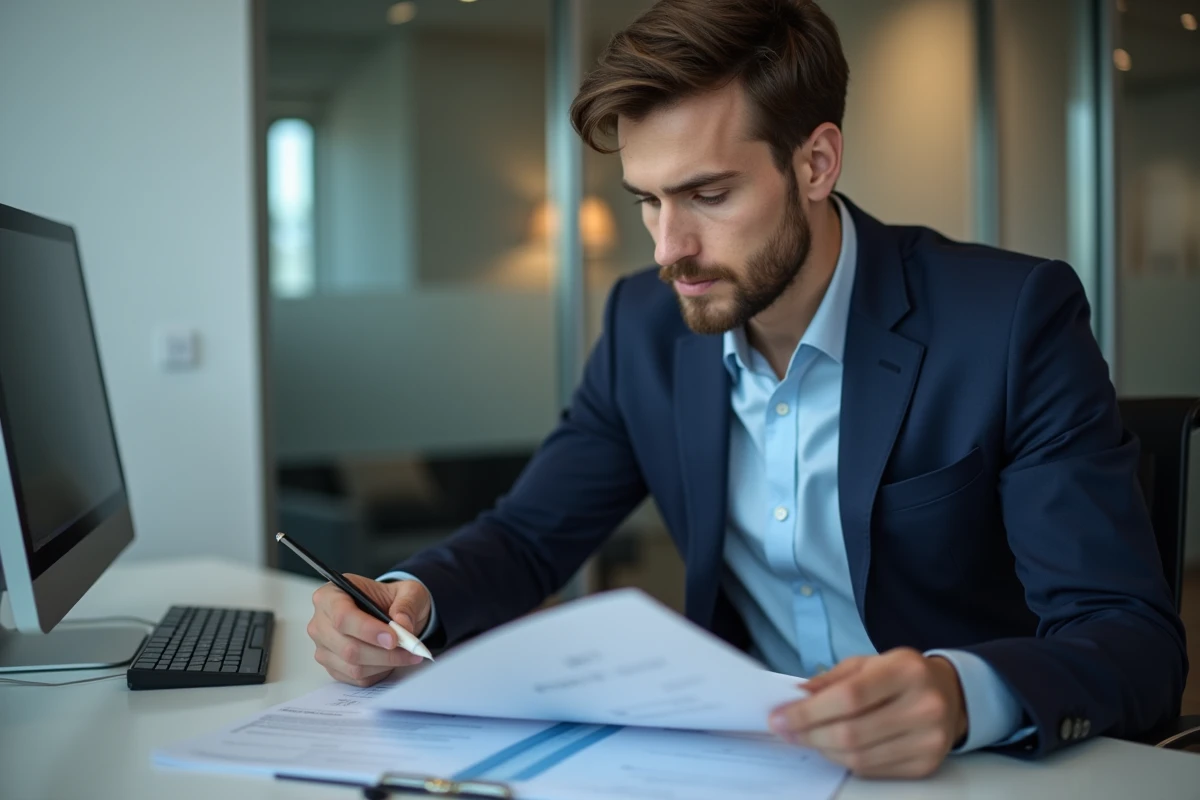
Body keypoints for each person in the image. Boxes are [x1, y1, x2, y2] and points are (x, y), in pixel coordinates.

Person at [305, 0, 1186, 778]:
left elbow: (1129, 639)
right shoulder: (645, 326)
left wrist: (963, 696)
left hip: (965, 770)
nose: (667, 247)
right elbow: (531, 535)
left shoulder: (1006, 320)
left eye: (707, 194)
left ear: (816, 163)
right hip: (735, 765)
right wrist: (408, 596)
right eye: (648, 200)